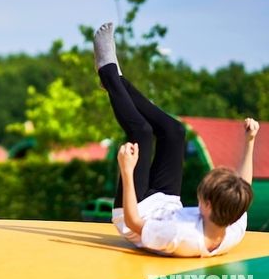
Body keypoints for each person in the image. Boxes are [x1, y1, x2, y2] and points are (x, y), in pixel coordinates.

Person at [94, 22, 259, 257]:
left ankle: (108, 72)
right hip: (166, 204)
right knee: (175, 132)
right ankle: (116, 81)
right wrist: (250, 141)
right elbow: (244, 187)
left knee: (141, 133)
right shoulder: (232, 223)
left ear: (207, 206)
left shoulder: (178, 235)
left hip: (136, 212)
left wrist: (127, 172)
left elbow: (133, 223)